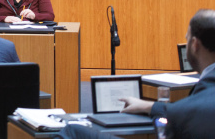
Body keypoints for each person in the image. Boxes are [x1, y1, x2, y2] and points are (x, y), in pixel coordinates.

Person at [60, 9, 215, 139]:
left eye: (187, 39)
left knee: (72, 130)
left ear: (194, 45)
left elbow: (196, 110)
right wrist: (150, 106)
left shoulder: (195, 109)